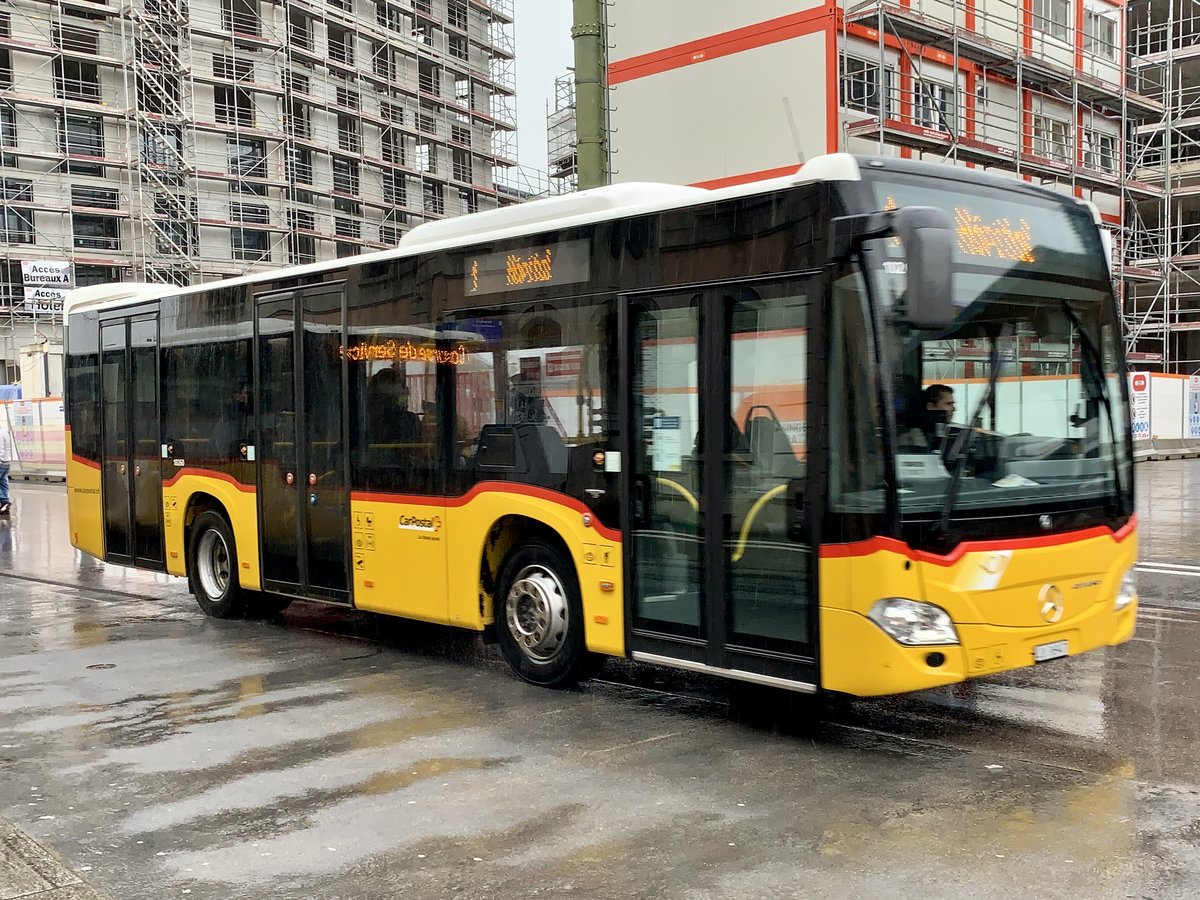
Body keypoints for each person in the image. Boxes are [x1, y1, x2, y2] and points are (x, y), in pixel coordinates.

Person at [0, 426, 12, 515]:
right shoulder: (4, 432)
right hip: (6, 462)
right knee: (3, 482)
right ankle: (5, 502)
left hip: (1, 461)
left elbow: (0, 449)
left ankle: (4, 502)